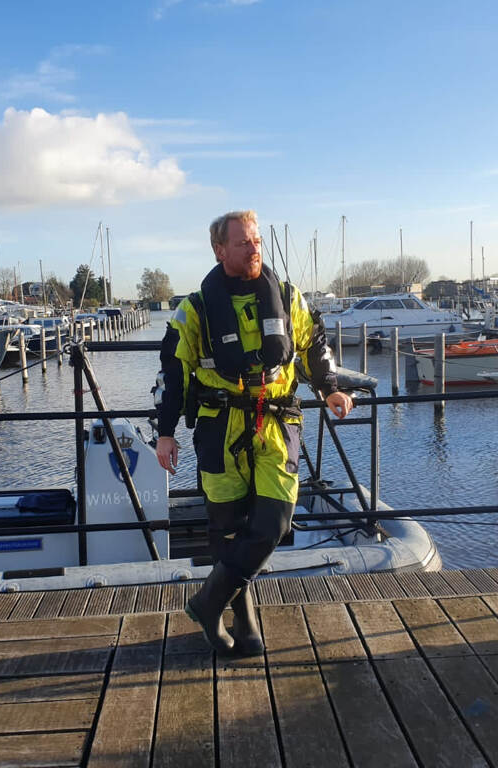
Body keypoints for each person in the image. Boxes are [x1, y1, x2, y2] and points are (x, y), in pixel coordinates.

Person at [154, 210, 353, 655]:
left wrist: (330, 387)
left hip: (277, 424)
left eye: (257, 240)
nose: (254, 249)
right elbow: (173, 370)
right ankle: (243, 619)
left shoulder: (286, 296)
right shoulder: (196, 309)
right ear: (219, 250)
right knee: (229, 531)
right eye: (243, 242)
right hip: (220, 428)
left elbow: (314, 342)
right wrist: (165, 432)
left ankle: (208, 602)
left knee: (275, 522)